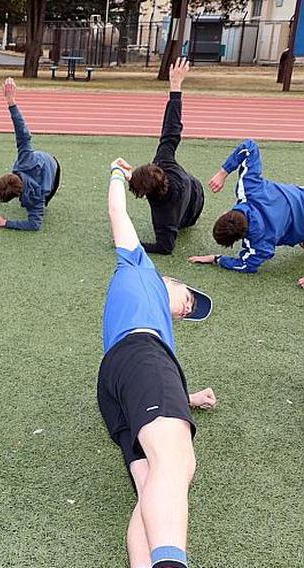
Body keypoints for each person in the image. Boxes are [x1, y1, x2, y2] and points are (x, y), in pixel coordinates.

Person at [100, 157, 216, 568]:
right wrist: (118, 173)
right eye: (188, 299)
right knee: (177, 461)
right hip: (139, 360)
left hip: (117, 379)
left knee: (151, 481)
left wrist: (187, 398)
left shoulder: (150, 318)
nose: (186, 311)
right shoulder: (139, 265)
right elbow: (118, 209)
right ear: (168, 279)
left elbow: (149, 392)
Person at [189, 139, 304, 280]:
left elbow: (247, 265)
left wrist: (217, 259)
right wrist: (222, 173)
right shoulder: (250, 189)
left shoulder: (259, 244)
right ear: (225, 213)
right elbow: (250, 147)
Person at [126, 58, 204, 254]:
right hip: (195, 188)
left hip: (189, 216)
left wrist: (129, 243)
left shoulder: (165, 214)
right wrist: (175, 87)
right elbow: (172, 129)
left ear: (146, 194)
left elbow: (165, 247)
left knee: (177, 226)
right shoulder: (164, 161)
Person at [0, 77, 61, 232]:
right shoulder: (25, 159)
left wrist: (5, 223)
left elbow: (35, 225)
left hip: (54, 170)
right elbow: (22, 131)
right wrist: (11, 101)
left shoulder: (36, 198)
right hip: (40, 163)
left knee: (43, 205)